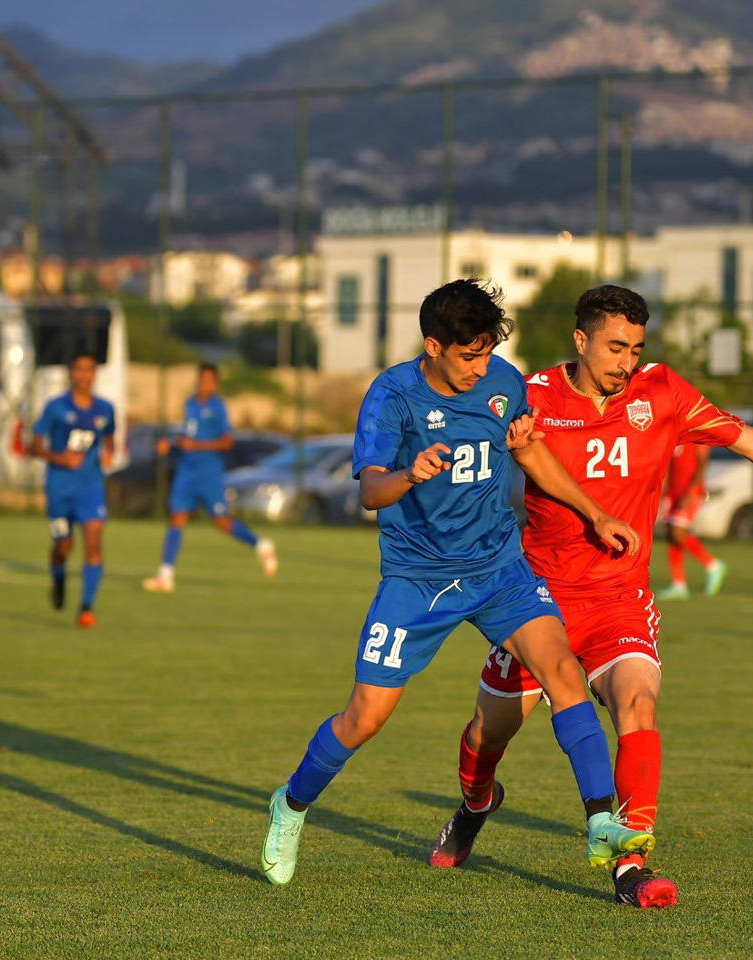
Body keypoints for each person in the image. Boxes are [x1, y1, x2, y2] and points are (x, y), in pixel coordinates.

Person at [429, 284, 753, 908]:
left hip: (619, 598)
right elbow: (457, 420)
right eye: (615, 347)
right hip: (538, 600)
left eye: (636, 349)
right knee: (487, 734)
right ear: (580, 340)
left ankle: (631, 864)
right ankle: (475, 805)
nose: (627, 362)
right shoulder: (530, 394)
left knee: (636, 705)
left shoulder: (662, 392)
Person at [259, 279, 654, 886]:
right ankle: (291, 804)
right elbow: (368, 492)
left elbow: (530, 453)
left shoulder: (503, 382)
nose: (482, 367)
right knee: (364, 719)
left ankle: (601, 821)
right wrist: (407, 474)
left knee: (564, 673)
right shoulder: (393, 394)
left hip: (499, 568)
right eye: (469, 355)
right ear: (433, 346)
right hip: (419, 580)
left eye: (488, 352)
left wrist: (593, 512)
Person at [142, 363, 276, 592]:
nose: (203, 384)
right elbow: (188, 437)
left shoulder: (217, 407)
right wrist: (172, 444)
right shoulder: (190, 403)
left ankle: (260, 544)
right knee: (177, 517)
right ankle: (166, 575)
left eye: (208, 380)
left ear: (215, 384)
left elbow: (227, 441)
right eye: (200, 379)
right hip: (187, 470)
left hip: (209, 473)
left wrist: (196, 445)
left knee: (221, 522)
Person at [29, 352, 116, 628]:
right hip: (58, 488)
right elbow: (34, 446)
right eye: (78, 369)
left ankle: (86, 607)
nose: (84, 375)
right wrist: (59, 458)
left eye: (89, 369)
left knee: (93, 543)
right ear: (71, 374)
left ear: (95, 374)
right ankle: (58, 578)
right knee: (63, 545)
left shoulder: (105, 409)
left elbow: (109, 437)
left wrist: (109, 453)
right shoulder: (55, 407)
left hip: (90, 486)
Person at [655, 442, 725, 599]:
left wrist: (693, 490)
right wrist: (664, 488)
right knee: (671, 536)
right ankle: (678, 585)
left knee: (677, 533)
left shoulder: (696, 435)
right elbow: (670, 463)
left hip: (689, 491)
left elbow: (702, 462)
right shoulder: (676, 434)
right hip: (674, 490)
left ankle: (713, 564)